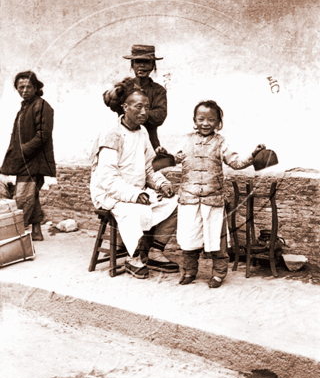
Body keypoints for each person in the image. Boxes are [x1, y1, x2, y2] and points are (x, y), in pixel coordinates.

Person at [175, 100, 265, 288]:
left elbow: (236, 163)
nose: (205, 123)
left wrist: (253, 155)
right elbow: (174, 157)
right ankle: (190, 271)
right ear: (194, 120)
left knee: (216, 239)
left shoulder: (221, 142)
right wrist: (163, 155)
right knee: (189, 238)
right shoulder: (186, 140)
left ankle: (218, 274)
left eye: (211, 120)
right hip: (189, 199)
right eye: (201, 119)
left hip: (212, 200)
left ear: (218, 123)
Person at [90, 90, 179, 279]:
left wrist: (162, 184)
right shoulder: (111, 133)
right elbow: (107, 178)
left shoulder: (143, 131)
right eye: (139, 107)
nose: (144, 112)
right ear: (125, 107)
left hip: (138, 191)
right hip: (109, 193)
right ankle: (134, 257)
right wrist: (134, 195)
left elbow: (149, 168)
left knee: (177, 203)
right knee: (133, 210)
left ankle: (155, 252)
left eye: (147, 107)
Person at [1, 71, 56, 241]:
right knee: (32, 197)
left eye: (28, 87)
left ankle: (14, 236)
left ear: (36, 87)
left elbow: (43, 134)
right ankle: (37, 232)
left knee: (23, 199)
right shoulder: (25, 107)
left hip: (35, 162)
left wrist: (23, 150)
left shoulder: (42, 106)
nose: (24, 90)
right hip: (24, 161)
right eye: (20, 87)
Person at [103, 45, 167, 152]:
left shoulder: (158, 90)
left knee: (149, 166)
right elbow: (111, 103)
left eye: (146, 62)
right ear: (132, 65)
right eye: (137, 61)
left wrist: (134, 113)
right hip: (123, 139)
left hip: (149, 142)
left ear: (153, 66)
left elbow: (160, 116)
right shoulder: (124, 87)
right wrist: (116, 93)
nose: (141, 65)